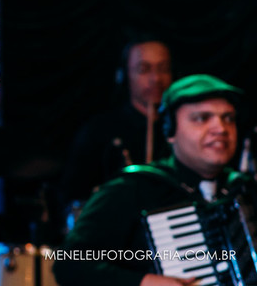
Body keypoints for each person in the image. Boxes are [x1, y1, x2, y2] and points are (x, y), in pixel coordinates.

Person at [55, 74, 253, 286]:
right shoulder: (132, 189)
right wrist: (144, 282)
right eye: (202, 118)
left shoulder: (246, 189)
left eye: (228, 118)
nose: (221, 129)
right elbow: (69, 264)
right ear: (170, 131)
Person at [62, 36, 174, 207]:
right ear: (124, 75)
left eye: (163, 68)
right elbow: (75, 195)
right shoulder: (99, 130)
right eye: (144, 69)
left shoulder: (181, 128)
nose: (156, 79)